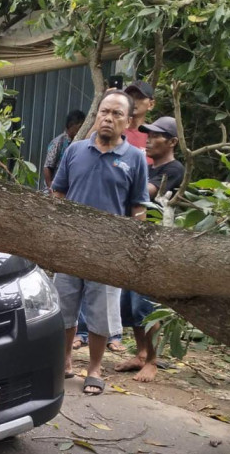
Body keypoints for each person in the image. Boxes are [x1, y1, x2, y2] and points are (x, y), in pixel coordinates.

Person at [51, 90, 149, 395]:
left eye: (117, 113)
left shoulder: (135, 158)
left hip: (108, 254)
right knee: (64, 309)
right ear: (97, 116)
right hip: (69, 248)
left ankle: (94, 369)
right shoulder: (75, 151)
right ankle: (65, 362)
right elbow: (58, 194)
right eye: (104, 112)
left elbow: (138, 209)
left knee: (101, 315)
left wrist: (128, 250)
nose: (108, 118)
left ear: (128, 121)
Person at [114, 116, 184, 382]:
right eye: (148, 135)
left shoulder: (174, 170)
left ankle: (153, 361)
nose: (150, 140)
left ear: (173, 142)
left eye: (157, 136)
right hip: (135, 245)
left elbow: (144, 194)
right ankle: (141, 353)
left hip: (155, 248)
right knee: (130, 305)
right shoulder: (150, 167)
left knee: (146, 306)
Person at [43, 110, 86, 190]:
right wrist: (50, 187)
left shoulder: (80, 143)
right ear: (71, 125)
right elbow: (47, 167)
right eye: (80, 127)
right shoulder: (58, 142)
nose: (81, 130)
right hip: (56, 189)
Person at [123, 81, 155, 164]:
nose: (133, 101)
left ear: (151, 104)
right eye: (130, 97)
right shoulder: (115, 129)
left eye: (140, 97)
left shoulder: (155, 136)